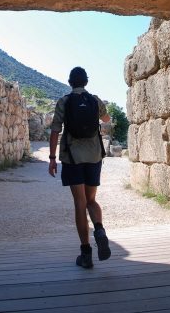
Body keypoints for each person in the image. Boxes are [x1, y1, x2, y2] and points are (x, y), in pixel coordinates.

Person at [48, 66, 111, 268]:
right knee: (91, 200)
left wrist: (51, 158)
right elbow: (107, 119)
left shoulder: (64, 102)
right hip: (94, 155)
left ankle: (86, 254)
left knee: (79, 203)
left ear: (70, 82)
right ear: (86, 82)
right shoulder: (94, 100)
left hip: (73, 157)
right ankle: (99, 229)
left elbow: (55, 131)